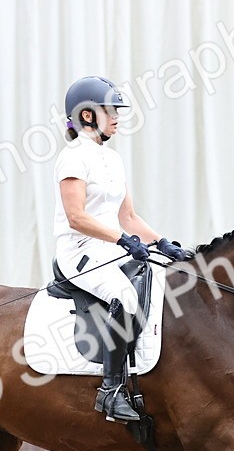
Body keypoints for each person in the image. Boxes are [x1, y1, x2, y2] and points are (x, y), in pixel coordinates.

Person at [52, 75, 193, 422]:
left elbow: (127, 216)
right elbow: (76, 217)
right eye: (110, 109)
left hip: (112, 247)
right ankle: (111, 391)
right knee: (125, 297)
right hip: (80, 251)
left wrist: (162, 243)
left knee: (161, 282)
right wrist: (121, 240)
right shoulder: (72, 158)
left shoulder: (112, 159)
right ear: (87, 116)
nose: (116, 116)